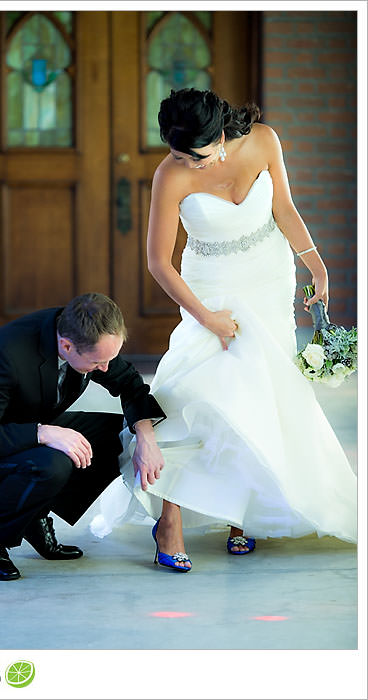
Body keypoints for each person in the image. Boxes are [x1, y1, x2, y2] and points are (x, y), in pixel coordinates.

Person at [110, 88, 356, 571]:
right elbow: (158, 263)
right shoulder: (169, 174)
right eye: (178, 155)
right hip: (211, 291)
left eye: (195, 156)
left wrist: (316, 265)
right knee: (190, 392)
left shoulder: (264, 141)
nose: (187, 164)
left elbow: (283, 209)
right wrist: (208, 317)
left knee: (259, 394)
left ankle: (243, 514)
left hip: (268, 280)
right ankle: (170, 518)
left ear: (221, 134)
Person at [0, 293, 166, 580]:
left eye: (110, 359)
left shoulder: (85, 335)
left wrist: (145, 437)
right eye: (98, 363)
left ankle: (33, 514)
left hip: (26, 426)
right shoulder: (4, 355)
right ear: (67, 345)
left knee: (114, 436)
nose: (105, 369)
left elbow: (130, 383)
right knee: (52, 464)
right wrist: (42, 432)